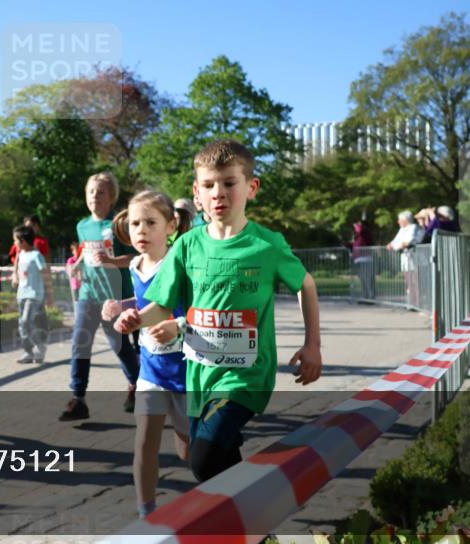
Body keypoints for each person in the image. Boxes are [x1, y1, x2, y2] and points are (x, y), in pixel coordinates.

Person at [115, 140, 322, 484]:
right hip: (200, 375)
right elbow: (163, 305)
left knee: (203, 458)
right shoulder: (187, 245)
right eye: (209, 185)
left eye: (229, 183)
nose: (218, 193)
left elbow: (306, 285)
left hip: (245, 375)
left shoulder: (266, 244)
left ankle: (256, 528)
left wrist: (312, 344)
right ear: (197, 191)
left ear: (251, 188)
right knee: (218, 467)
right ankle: (258, 535)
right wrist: (137, 318)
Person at [101, 190, 189, 518]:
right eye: (136, 223)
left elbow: (192, 310)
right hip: (151, 371)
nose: (141, 230)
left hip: (185, 372)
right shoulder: (136, 265)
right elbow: (141, 306)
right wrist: (120, 307)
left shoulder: (179, 264)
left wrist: (175, 325)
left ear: (171, 226)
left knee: (189, 450)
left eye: (151, 222)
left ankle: (215, 495)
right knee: (144, 443)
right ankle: (146, 512)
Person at [61, 171, 141, 421]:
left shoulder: (119, 225)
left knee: (120, 347)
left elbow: (134, 258)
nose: (95, 196)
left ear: (111, 197)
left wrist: (111, 260)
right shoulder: (82, 225)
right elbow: (86, 250)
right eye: (91, 192)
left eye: (101, 192)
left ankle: (138, 387)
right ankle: (78, 398)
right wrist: (78, 265)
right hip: (88, 295)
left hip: (114, 298)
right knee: (80, 343)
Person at [11, 224, 50, 364]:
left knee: (27, 321)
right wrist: (14, 276)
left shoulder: (36, 255)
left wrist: (50, 295)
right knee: (22, 323)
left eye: (15, 240)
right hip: (21, 293)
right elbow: (17, 265)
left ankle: (40, 347)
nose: (14, 243)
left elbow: (45, 274)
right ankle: (28, 352)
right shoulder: (21, 254)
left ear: (23, 240)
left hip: (34, 294)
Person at [387, 210, 424, 307]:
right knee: (408, 281)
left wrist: (397, 245)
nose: (398, 222)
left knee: (415, 281)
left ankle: (417, 303)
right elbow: (395, 242)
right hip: (405, 258)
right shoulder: (402, 229)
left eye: (400, 220)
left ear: (405, 220)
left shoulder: (413, 227)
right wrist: (395, 245)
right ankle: (411, 302)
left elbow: (408, 241)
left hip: (413, 258)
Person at [351, 218, 376, 302]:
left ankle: (371, 297)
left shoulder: (365, 233)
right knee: (362, 279)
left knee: (367, 278)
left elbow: (360, 230)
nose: (357, 226)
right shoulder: (359, 235)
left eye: (360, 225)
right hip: (358, 259)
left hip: (365, 259)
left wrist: (357, 225)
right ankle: (366, 296)